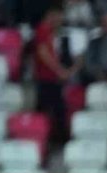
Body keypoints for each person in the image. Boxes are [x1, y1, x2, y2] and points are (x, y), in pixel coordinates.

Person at [33, 5, 75, 146]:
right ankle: (58, 140)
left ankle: (49, 139)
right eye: (58, 17)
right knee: (56, 111)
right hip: (46, 78)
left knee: (51, 110)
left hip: (49, 78)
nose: (59, 21)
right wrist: (59, 70)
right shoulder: (42, 30)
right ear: (51, 15)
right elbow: (43, 53)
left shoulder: (47, 32)